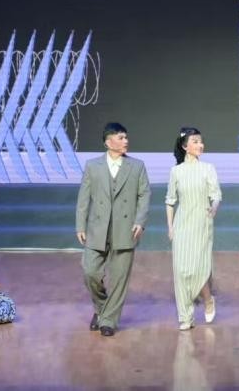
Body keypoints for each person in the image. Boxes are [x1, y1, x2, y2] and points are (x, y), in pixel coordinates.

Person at [75, 122, 151, 336]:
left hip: (125, 228)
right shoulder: (92, 166)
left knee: (119, 278)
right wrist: (80, 225)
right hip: (97, 228)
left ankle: (108, 320)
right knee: (90, 271)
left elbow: (144, 194)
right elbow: (84, 198)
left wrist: (140, 221)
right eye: (121, 137)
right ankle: (101, 309)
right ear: (108, 142)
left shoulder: (137, 166)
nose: (126, 141)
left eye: (126, 137)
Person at [166, 126, 222, 331]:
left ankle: (208, 299)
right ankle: (185, 317)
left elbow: (216, 194)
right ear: (185, 146)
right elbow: (170, 201)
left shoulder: (208, 168)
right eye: (195, 141)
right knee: (182, 271)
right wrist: (170, 227)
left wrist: (214, 207)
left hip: (202, 224)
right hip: (182, 225)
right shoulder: (176, 171)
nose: (200, 145)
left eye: (201, 141)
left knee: (197, 269)